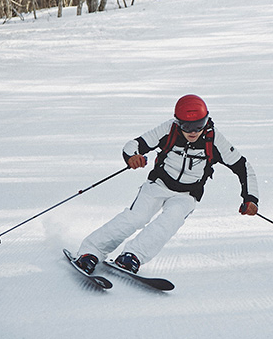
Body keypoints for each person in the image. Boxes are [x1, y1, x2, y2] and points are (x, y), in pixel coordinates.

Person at [74, 94, 259, 274]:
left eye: (198, 126)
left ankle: (132, 257)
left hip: (186, 196)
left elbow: (244, 168)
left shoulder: (215, 140)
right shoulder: (168, 130)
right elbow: (133, 145)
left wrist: (250, 199)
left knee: (168, 223)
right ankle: (90, 252)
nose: (193, 132)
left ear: (207, 121)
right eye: (187, 126)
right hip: (158, 186)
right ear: (178, 122)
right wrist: (132, 157)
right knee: (136, 217)